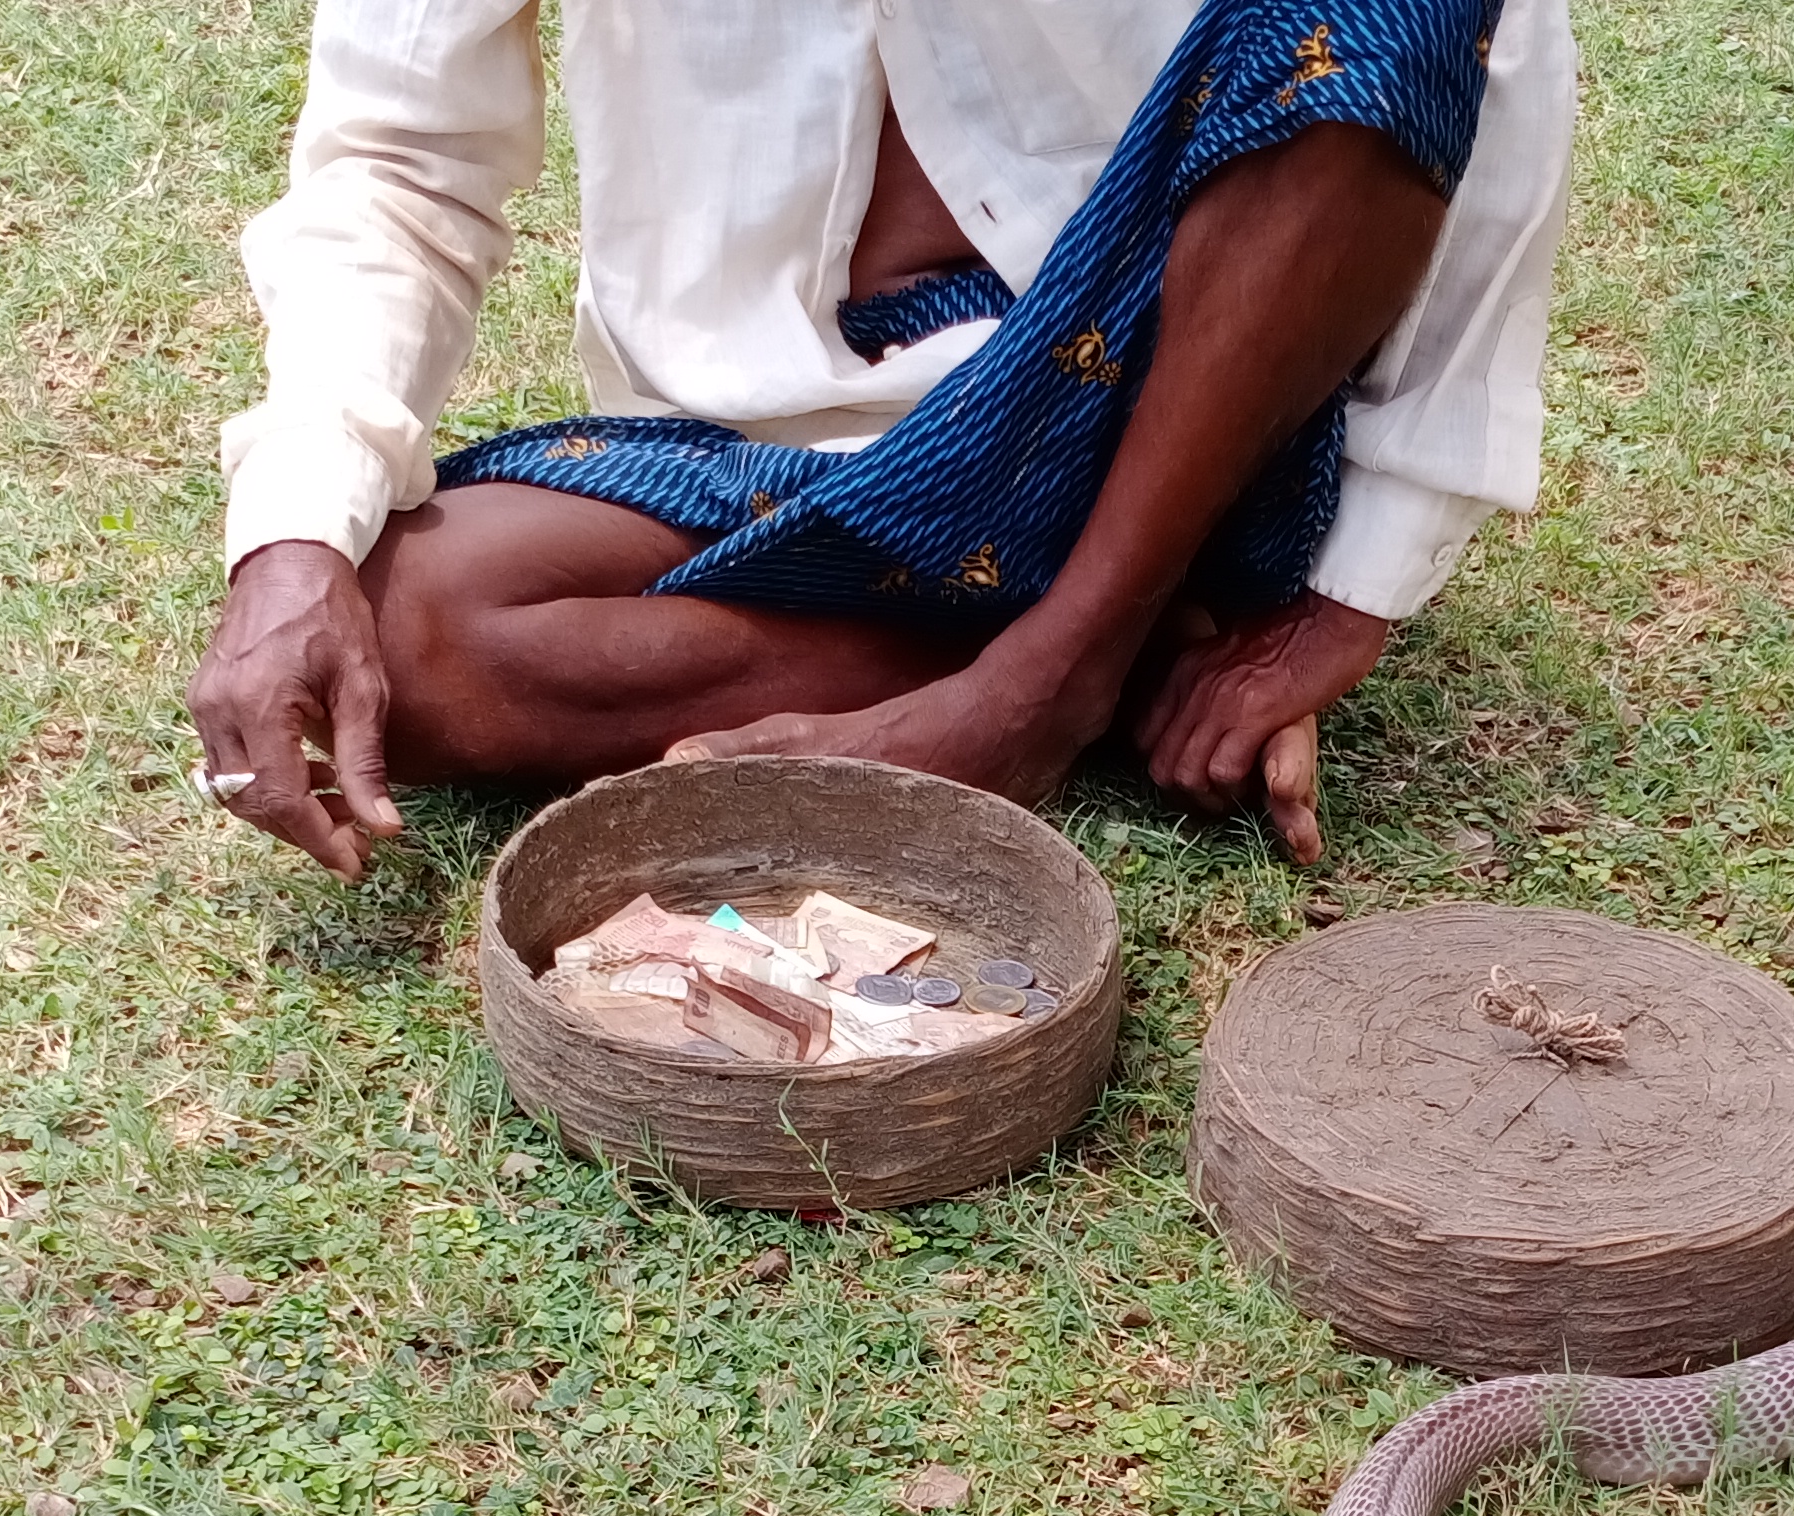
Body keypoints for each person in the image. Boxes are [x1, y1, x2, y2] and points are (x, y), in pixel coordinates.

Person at [185, 0, 1575, 879]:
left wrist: (1351, 598)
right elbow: (399, 163)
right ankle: (1132, 641)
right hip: (759, 428)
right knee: (402, 641)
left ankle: (1057, 671)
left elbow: (1480, 49)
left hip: (1161, 406)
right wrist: (297, 536)